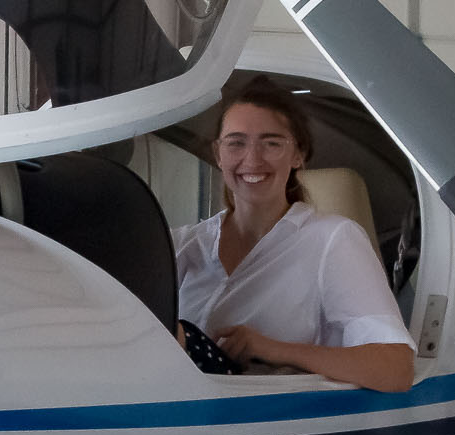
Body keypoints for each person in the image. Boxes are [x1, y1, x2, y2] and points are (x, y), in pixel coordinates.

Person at [173, 80, 414, 391]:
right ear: (218, 154)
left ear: (299, 154)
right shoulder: (182, 245)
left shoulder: (332, 239)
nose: (252, 159)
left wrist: (273, 349)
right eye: (236, 142)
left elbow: (395, 369)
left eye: (271, 143)